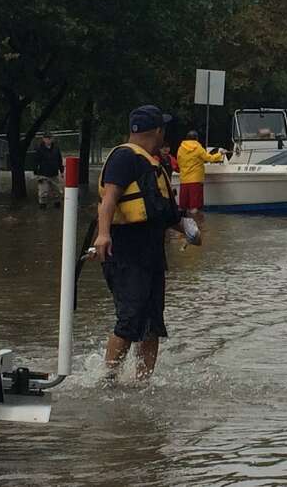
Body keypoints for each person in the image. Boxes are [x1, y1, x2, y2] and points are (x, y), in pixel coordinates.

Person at [92, 105, 184, 381]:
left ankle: (143, 382)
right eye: (163, 129)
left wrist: (187, 230)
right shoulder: (125, 158)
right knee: (130, 318)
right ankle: (108, 380)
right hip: (126, 253)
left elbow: (162, 211)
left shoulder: (153, 163)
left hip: (152, 254)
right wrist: (103, 234)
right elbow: (109, 199)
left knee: (153, 322)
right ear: (157, 131)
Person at [176, 130, 223, 215]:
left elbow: (179, 162)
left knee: (183, 207)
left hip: (184, 180)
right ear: (197, 138)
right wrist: (220, 154)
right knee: (194, 207)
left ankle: (183, 225)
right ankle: (197, 225)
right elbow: (209, 158)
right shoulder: (198, 148)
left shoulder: (180, 148)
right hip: (195, 180)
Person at [33, 132, 64, 209]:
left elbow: (59, 160)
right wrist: (36, 173)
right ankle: (42, 206)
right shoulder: (39, 149)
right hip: (43, 174)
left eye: (50, 138)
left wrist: (62, 171)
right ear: (43, 139)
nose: (48, 140)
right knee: (43, 192)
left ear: (52, 139)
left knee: (57, 191)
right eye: (47, 138)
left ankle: (57, 205)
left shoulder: (56, 148)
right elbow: (35, 161)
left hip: (54, 173)